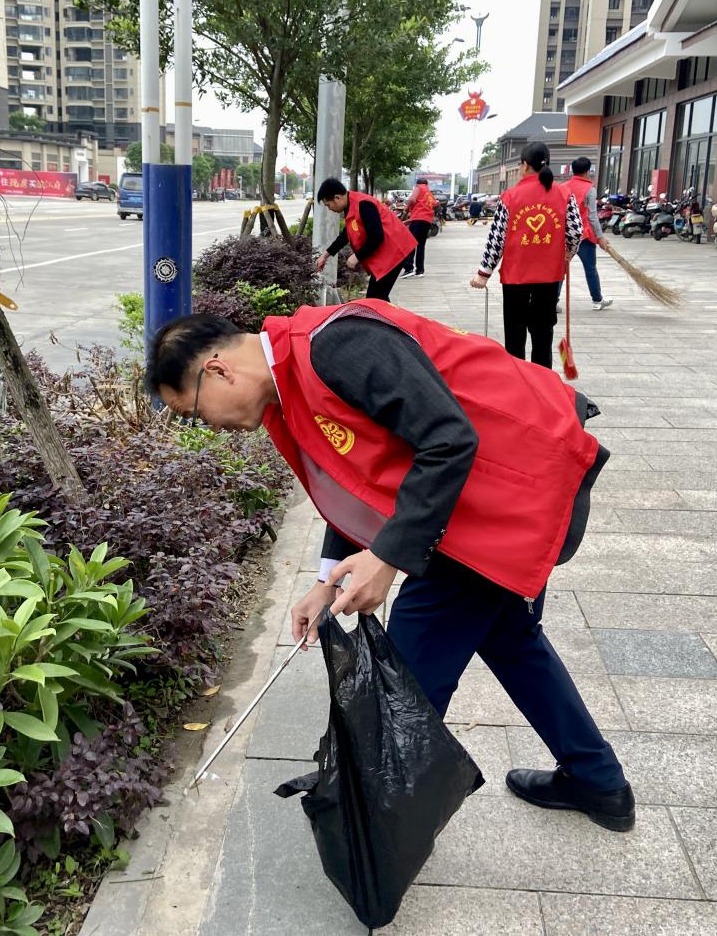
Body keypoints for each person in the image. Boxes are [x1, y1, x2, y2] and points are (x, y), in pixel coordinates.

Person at [145, 304, 634, 832]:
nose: (209, 426)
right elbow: (357, 483)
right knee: (511, 640)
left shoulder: (336, 346)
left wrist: (387, 558)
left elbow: (449, 438)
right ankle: (598, 781)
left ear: (218, 370)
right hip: (473, 501)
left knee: (403, 681)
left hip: (508, 485)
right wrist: (325, 580)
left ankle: (376, 838)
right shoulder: (291, 381)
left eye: (195, 412)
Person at [470, 142, 583, 368]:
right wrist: (567, 254)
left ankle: (517, 379)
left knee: (515, 335)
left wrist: (483, 274)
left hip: (516, 278)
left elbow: (497, 238)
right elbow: (576, 232)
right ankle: (542, 381)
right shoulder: (564, 193)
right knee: (543, 334)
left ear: (524, 165)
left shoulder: (510, 196)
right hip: (549, 277)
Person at [314, 178, 416, 302]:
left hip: (396, 249)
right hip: (388, 252)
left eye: (328, 205)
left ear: (337, 198)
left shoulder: (363, 204)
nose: (329, 208)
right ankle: (390, 315)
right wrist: (325, 255)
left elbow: (376, 236)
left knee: (375, 298)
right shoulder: (350, 205)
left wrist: (357, 256)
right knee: (378, 298)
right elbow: (346, 235)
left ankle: (392, 315)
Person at [564, 157, 612, 312]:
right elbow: (592, 216)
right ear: (587, 171)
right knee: (590, 269)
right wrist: (600, 236)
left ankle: (553, 301)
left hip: (567, 236)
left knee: (561, 269)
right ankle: (597, 300)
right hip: (584, 236)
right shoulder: (589, 189)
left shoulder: (563, 187)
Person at [402, 178, 436, 277]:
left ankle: (409, 268)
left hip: (418, 219)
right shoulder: (429, 193)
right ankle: (420, 270)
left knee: (411, 243)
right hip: (427, 221)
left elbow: (412, 199)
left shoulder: (418, 187)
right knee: (421, 245)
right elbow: (434, 204)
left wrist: (407, 209)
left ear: (417, 183)